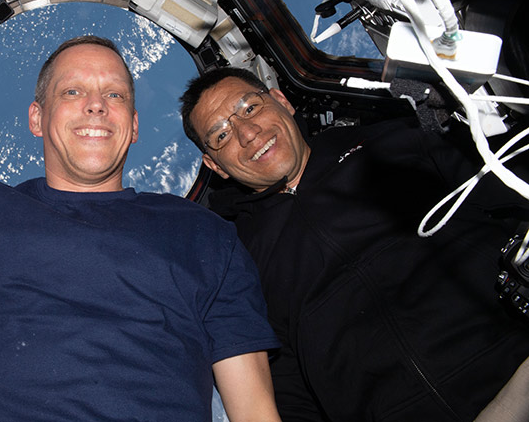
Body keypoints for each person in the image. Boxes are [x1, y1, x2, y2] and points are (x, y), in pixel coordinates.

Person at [0, 36, 282, 421]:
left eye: (115, 94)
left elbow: (254, 409)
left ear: (134, 126)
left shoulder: (206, 236)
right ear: (37, 118)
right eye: (72, 91)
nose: (96, 105)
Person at [179, 67, 529, 421]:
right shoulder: (238, 263)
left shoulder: (395, 142)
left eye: (250, 108)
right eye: (221, 135)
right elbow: (281, 390)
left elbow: (512, 196)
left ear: (281, 100)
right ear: (215, 165)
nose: (248, 134)